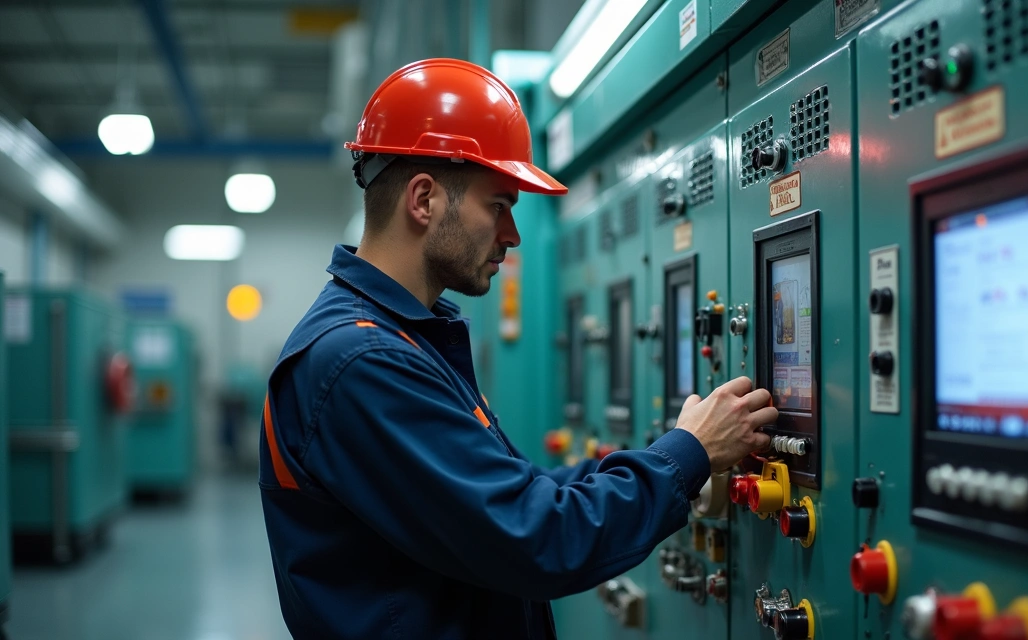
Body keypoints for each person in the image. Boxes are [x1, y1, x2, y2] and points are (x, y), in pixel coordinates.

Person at [259, 58, 776, 640]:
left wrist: (670, 459)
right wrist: (687, 457)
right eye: (498, 206)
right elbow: (537, 539)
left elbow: (510, 495)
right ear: (423, 200)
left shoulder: (399, 340)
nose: (512, 235)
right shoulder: (362, 363)